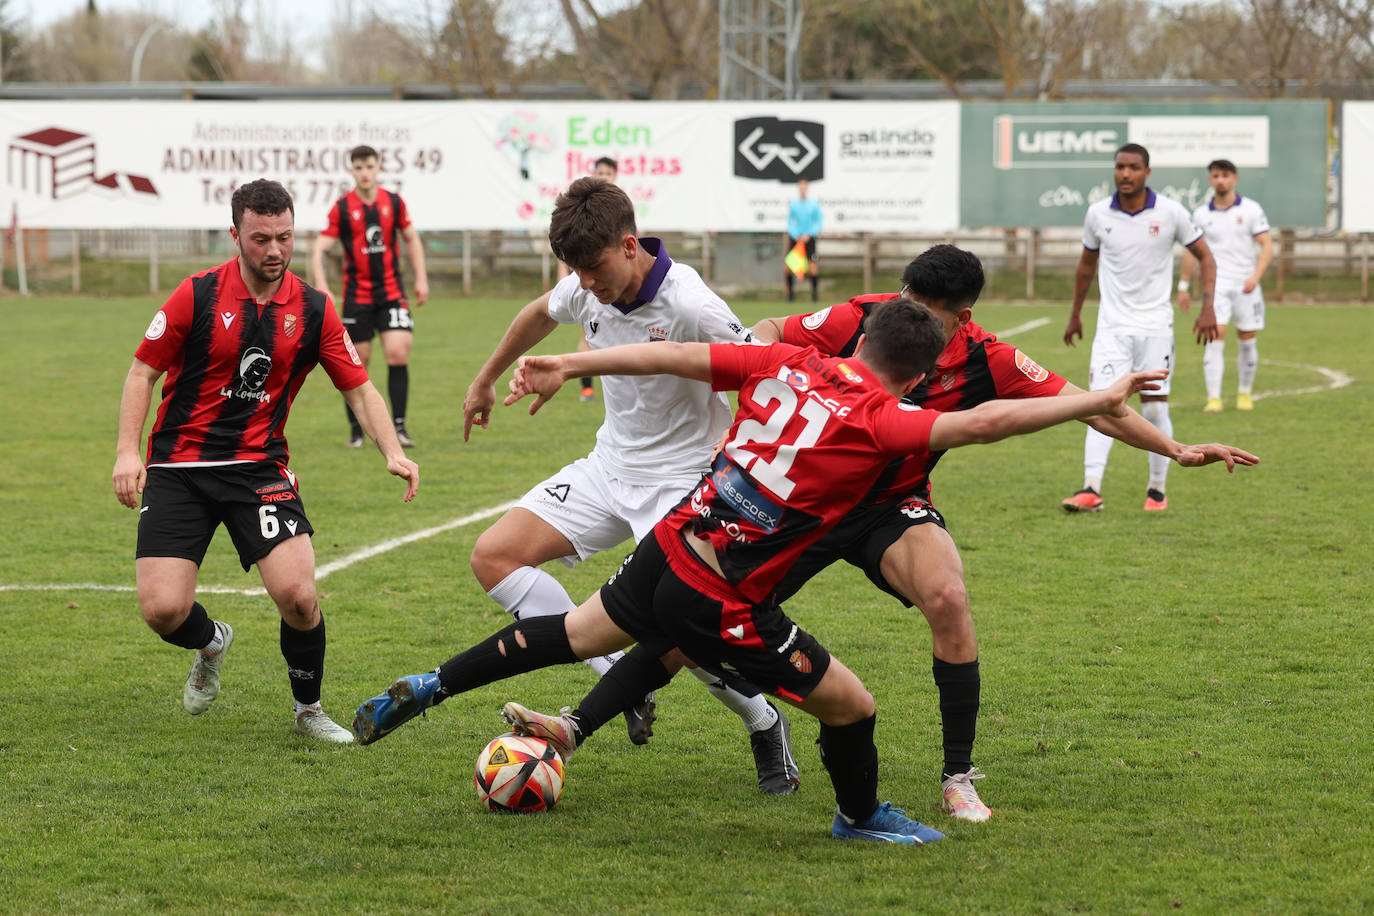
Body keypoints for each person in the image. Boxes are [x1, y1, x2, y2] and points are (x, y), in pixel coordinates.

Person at [353, 298, 1169, 844]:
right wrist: (1094, 400)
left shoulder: (785, 360)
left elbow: (671, 356)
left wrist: (574, 365)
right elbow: (989, 421)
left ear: (856, 343)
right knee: (853, 706)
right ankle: (861, 817)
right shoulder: (886, 420)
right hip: (727, 599)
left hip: (672, 543)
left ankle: (431, 683)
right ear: (917, 376)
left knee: (571, 632)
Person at [525, 245, 1259, 824]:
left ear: (962, 320)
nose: (907, 320)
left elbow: (1090, 407)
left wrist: (1177, 450)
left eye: (930, 315)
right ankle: (576, 727)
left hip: (888, 508)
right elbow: (777, 332)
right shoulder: (864, 317)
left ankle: (958, 776)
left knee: (947, 595)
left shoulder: (990, 359)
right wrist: (764, 355)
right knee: (693, 615)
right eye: (906, 304)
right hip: (798, 505)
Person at [460, 176, 800, 794]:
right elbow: (540, 312)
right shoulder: (587, 283)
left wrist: (744, 479)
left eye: (593, 268)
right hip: (607, 467)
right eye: (575, 271)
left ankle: (764, 718)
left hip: (684, 480)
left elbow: (760, 376)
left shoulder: (692, 306)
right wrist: (486, 378)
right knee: (495, 556)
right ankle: (620, 674)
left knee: (685, 622)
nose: (585, 284)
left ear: (628, 243)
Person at [112, 179, 420, 742]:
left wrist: (392, 451)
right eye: (260, 238)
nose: (274, 250)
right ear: (236, 235)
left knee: (301, 597)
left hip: (258, 468)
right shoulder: (196, 294)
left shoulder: (313, 308)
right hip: (180, 467)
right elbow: (142, 372)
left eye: (284, 237)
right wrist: (127, 451)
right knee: (162, 610)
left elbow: (359, 388)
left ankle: (308, 710)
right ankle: (211, 641)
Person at [1062, 143, 1219, 513]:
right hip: (1112, 328)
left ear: (1147, 172)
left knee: (1153, 407)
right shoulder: (1098, 214)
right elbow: (1086, 267)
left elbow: (1206, 257)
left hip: (1155, 328)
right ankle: (1090, 488)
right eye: (1120, 167)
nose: (1126, 174)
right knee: (1099, 403)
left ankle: (1157, 491)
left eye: (1134, 167)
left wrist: (1207, 307)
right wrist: (1075, 313)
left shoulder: (1171, 212)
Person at [310, 145, 429, 448]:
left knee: (398, 352)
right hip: (357, 295)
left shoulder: (393, 203)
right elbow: (320, 249)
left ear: (378, 169)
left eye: (369, 167)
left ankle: (399, 427)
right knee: (357, 362)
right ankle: (357, 431)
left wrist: (421, 278)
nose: (364, 173)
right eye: (359, 168)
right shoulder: (341, 208)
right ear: (352, 171)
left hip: (391, 292)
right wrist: (322, 283)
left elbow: (412, 238)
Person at [1177, 159, 1273, 413]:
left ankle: (1244, 393)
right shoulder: (1200, 214)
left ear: (1234, 179)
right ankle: (1214, 398)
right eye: (1216, 175)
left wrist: (1256, 276)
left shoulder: (1251, 209)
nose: (1220, 180)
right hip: (1216, 286)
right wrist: (1183, 285)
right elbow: (1191, 252)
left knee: (1247, 339)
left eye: (1225, 175)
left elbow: (1267, 246)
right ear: (1210, 180)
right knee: (1214, 336)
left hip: (1246, 286)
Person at [558, 157, 621, 402]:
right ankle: (587, 389)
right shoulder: (585, 208)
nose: (604, 176)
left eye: (608, 172)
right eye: (600, 172)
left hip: (615, 283)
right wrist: (563, 275)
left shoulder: (623, 208)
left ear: (615, 176)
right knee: (588, 334)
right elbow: (569, 243)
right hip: (589, 280)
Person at [785, 178, 822, 302]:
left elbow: (819, 222)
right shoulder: (794, 205)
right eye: (801, 187)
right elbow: (790, 222)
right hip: (797, 239)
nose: (803, 189)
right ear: (798, 188)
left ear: (807, 188)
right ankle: (790, 295)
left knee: (812, 266)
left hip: (809, 239)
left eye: (804, 187)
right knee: (790, 265)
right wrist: (796, 235)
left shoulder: (814, 205)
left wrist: (809, 234)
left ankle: (814, 296)